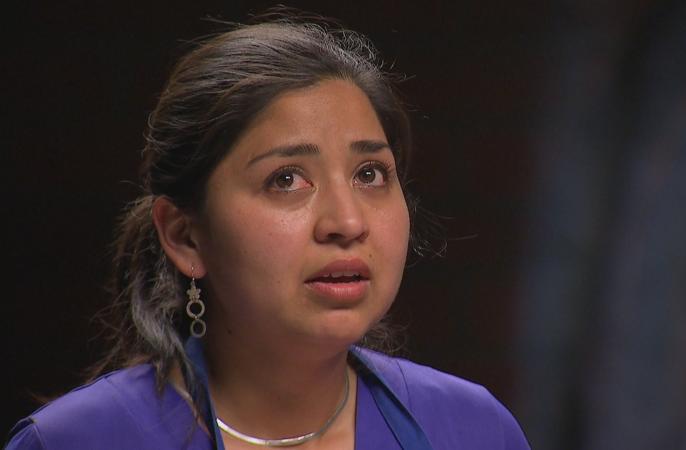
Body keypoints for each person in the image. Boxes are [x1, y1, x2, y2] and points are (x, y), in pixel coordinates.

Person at [5, 14, 530, 450]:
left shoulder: (472, 430)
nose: (348, 223)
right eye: (286, 180)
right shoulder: (78, 440)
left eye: (370, 174)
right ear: (185, 237)